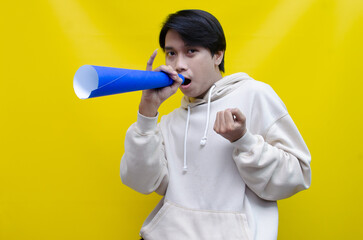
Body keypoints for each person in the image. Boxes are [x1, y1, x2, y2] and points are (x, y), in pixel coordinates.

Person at [120, 9, 311, 240]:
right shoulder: (169, 122)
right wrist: (147, 113)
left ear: (217, 55)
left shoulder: (255, 95)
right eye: (171, 53)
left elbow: (298, 175)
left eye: (191, 51)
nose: (178, 64)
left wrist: (245, 140)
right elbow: (142, 182)